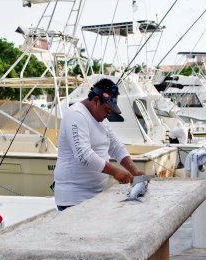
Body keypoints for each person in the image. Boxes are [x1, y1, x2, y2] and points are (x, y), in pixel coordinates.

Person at [54, 78, 145, 211]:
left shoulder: (102, 119)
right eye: (107, 109)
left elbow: (116, 147)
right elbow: (83, 155)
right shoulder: (76, 115)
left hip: (94, 196)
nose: (108, 114)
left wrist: (134, 171)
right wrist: (115, 172)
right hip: (73, 199)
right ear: (96, 101)